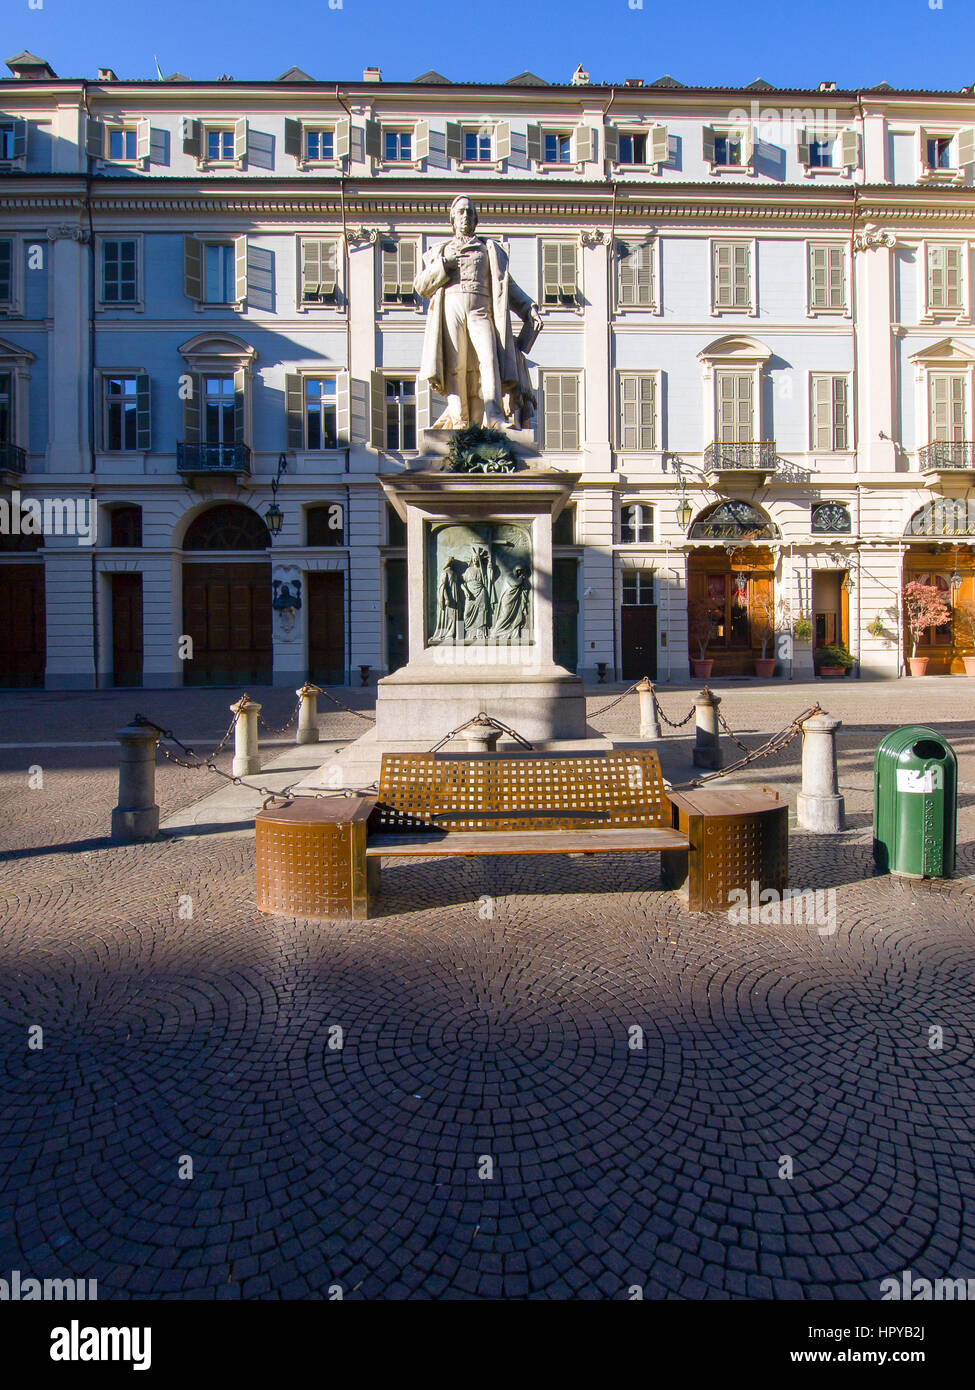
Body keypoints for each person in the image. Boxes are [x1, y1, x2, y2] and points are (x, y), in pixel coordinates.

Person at [415, 195, 542, 431]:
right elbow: (421, 286)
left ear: (476, 219)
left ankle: (494, 416)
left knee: (490, 359)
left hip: (481, 308)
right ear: (452, 219)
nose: (465, 216)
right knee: (455, 364)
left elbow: (506, 285)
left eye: (470, 212)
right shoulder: (440, 252)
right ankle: (460, 421)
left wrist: (527, 307)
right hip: (451, 307)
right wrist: (445, 264)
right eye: (461, 212)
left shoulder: (489, 250)